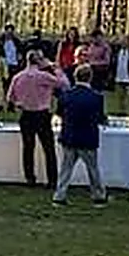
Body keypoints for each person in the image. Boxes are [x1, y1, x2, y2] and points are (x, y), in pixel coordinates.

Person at [7, 51, 65, 189]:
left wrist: (20, 102)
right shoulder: (43, 76)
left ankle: (30, 178)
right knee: (48, 149)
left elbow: (10, 97)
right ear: (38, 61)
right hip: (42, 114)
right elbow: (62, 83)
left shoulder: (18, 77)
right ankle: (52, 180)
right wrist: (56, 69)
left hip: (26, 114)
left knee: (28, 148)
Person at [53, 65, 108, 207]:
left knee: (66, 169)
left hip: (69, 137)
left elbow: (59, 113)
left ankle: (59, 195)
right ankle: (98, 196)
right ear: (90, 78)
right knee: (93, 169)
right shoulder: (96, 97)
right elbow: (101, 118)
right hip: (88, 138)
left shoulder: (65, 96)